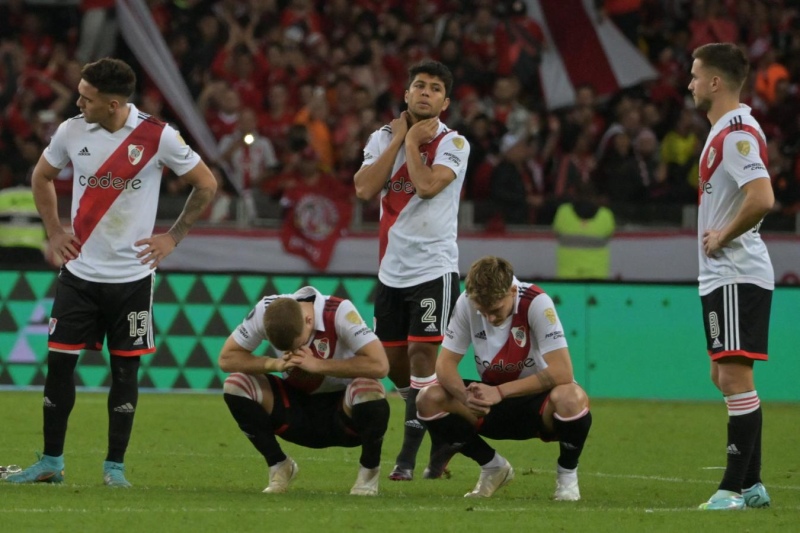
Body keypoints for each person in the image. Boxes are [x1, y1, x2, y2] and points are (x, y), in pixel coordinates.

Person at [5, 58, 217, 487]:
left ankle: (114, 468)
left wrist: (172, 238)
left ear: (113, 103)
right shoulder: (71, 131)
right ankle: (50, 462)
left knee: (125, 373)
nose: (78, 101)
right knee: (59, 368)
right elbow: (41, 176)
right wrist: (53, 232)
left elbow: (207, 184)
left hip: (132, 280)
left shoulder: (158, 137)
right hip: (79, 275)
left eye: (87, 97)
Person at [354, 60, 470, 481]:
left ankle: (406, 457)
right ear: (405, 94)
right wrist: (400, 139)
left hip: (433, 268)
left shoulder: (454, 143)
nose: (425, 92)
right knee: (394, 364)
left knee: (424, 355)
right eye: (418, 85)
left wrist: (410, 146)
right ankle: (443, 425)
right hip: (390, 271)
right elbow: (365, 188)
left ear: (445, 101)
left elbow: (424, 186)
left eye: (435, 88)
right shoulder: (381, 137)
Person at [416, 256, 592, 500]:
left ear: (512, 290)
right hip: (488, 407)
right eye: (483, 312)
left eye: (495, 310)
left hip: (538, 405)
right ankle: (492, 467)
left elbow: (563, 372)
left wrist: (500, 392)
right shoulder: (467, 302)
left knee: (572, 397)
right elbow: (444, 365)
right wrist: (465, 398)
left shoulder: (536, 303)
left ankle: (567, 477)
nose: (489, 318)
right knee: (428, 397)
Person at [689, 43, 775, 511]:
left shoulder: (737, 134)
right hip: (722, 276)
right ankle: (754, 484)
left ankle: (732, 488)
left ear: (715, 82)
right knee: (723, 375)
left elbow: (762, 197)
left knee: (735, 376)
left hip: (736, 272)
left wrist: (722, 235)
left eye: (696, 76)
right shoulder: (723, 130)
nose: (690, 84)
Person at [217, 286, 390, 496]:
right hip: (294, 410)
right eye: (287, 350)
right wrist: (274, 363)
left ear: (309, 321)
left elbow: (380, 365)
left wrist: (318, 365)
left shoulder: (339, 312)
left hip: (342, 414)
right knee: (235, 384)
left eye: (297, 345)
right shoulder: (266, 310)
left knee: (369, 388)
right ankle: (279, 465)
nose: (292, 353)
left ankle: (368, 474)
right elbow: (226, 358)